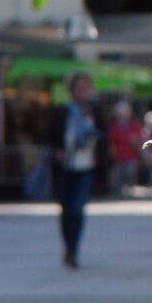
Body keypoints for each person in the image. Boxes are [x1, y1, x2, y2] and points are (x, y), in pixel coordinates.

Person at [53, 72, 101, 268]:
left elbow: (104, 136)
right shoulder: (62, 111)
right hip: (65, 167)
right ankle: (68, 245)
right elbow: (50, 135)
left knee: (78, 208)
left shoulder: (95, 111)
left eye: (86, 87)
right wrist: (58, 150)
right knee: (66, 210)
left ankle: (74, 248)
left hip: (86, 165)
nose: (83, 91)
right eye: (79, 87)